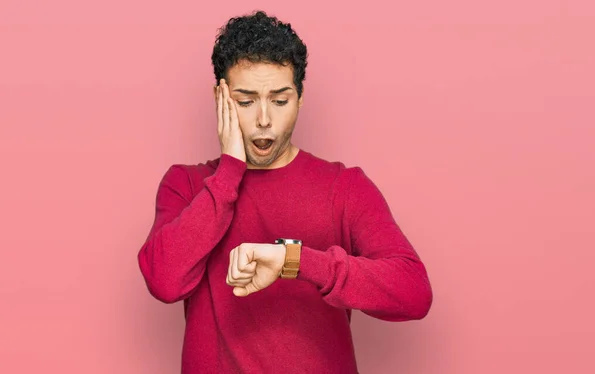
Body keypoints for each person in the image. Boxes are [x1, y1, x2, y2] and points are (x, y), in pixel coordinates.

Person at [137, 10, 433, 374]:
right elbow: (164, 281)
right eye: (245, 102)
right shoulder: (186, 185)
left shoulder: (344, 187)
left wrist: (294, 261)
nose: (264, 119)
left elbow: (413, 293)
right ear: (221, 98)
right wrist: (230, 170)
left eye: (280, 100)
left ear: (301, 96)